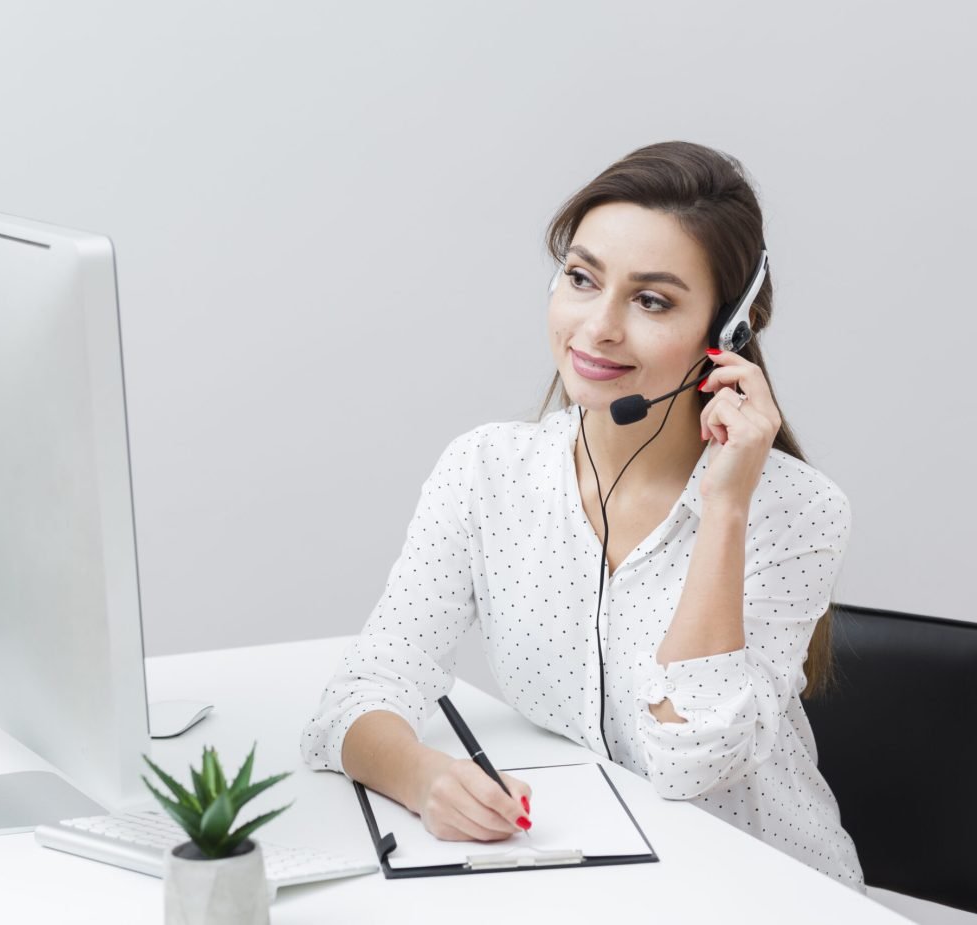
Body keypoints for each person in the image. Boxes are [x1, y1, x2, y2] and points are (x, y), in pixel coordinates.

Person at [302, 140, 864, 890]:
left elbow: (691, 762)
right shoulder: (487, 472)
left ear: (727, 330)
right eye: (581, 278)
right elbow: (355, 696)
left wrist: (725, 507)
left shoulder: (795, 509)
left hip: (764, 889)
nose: (598, 326)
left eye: (652, 300)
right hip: (594, 881)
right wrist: (423, 778)